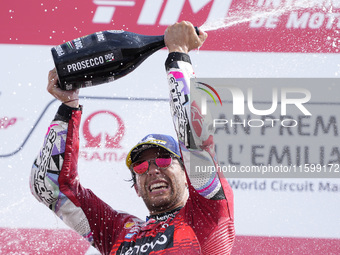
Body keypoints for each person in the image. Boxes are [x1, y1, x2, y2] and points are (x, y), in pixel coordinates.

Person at [30, 21, 235, 255]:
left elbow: (194, 139)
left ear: (188, 173)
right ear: (136, 188)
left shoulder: (207, 214)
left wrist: (178, 54)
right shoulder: (118, 232)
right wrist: (68, 107)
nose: (152, 169)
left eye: (164, 160)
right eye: (140, 166)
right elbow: (49, 187)